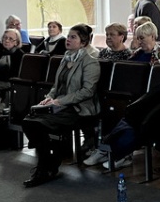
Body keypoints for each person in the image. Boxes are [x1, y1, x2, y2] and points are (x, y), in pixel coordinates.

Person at [20, 23, 101, 188]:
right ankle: (51, 158)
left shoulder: (90, 61)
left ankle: (46, 166)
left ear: (83, 42)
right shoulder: (66, 58)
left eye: (73, 37)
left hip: (78, 108)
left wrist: (59, 101)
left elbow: (87, 92)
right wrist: (48, 98)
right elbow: (57, 86)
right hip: (60, 104)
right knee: (29, 119)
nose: (68, 40)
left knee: (39, 124)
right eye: (68, 36)